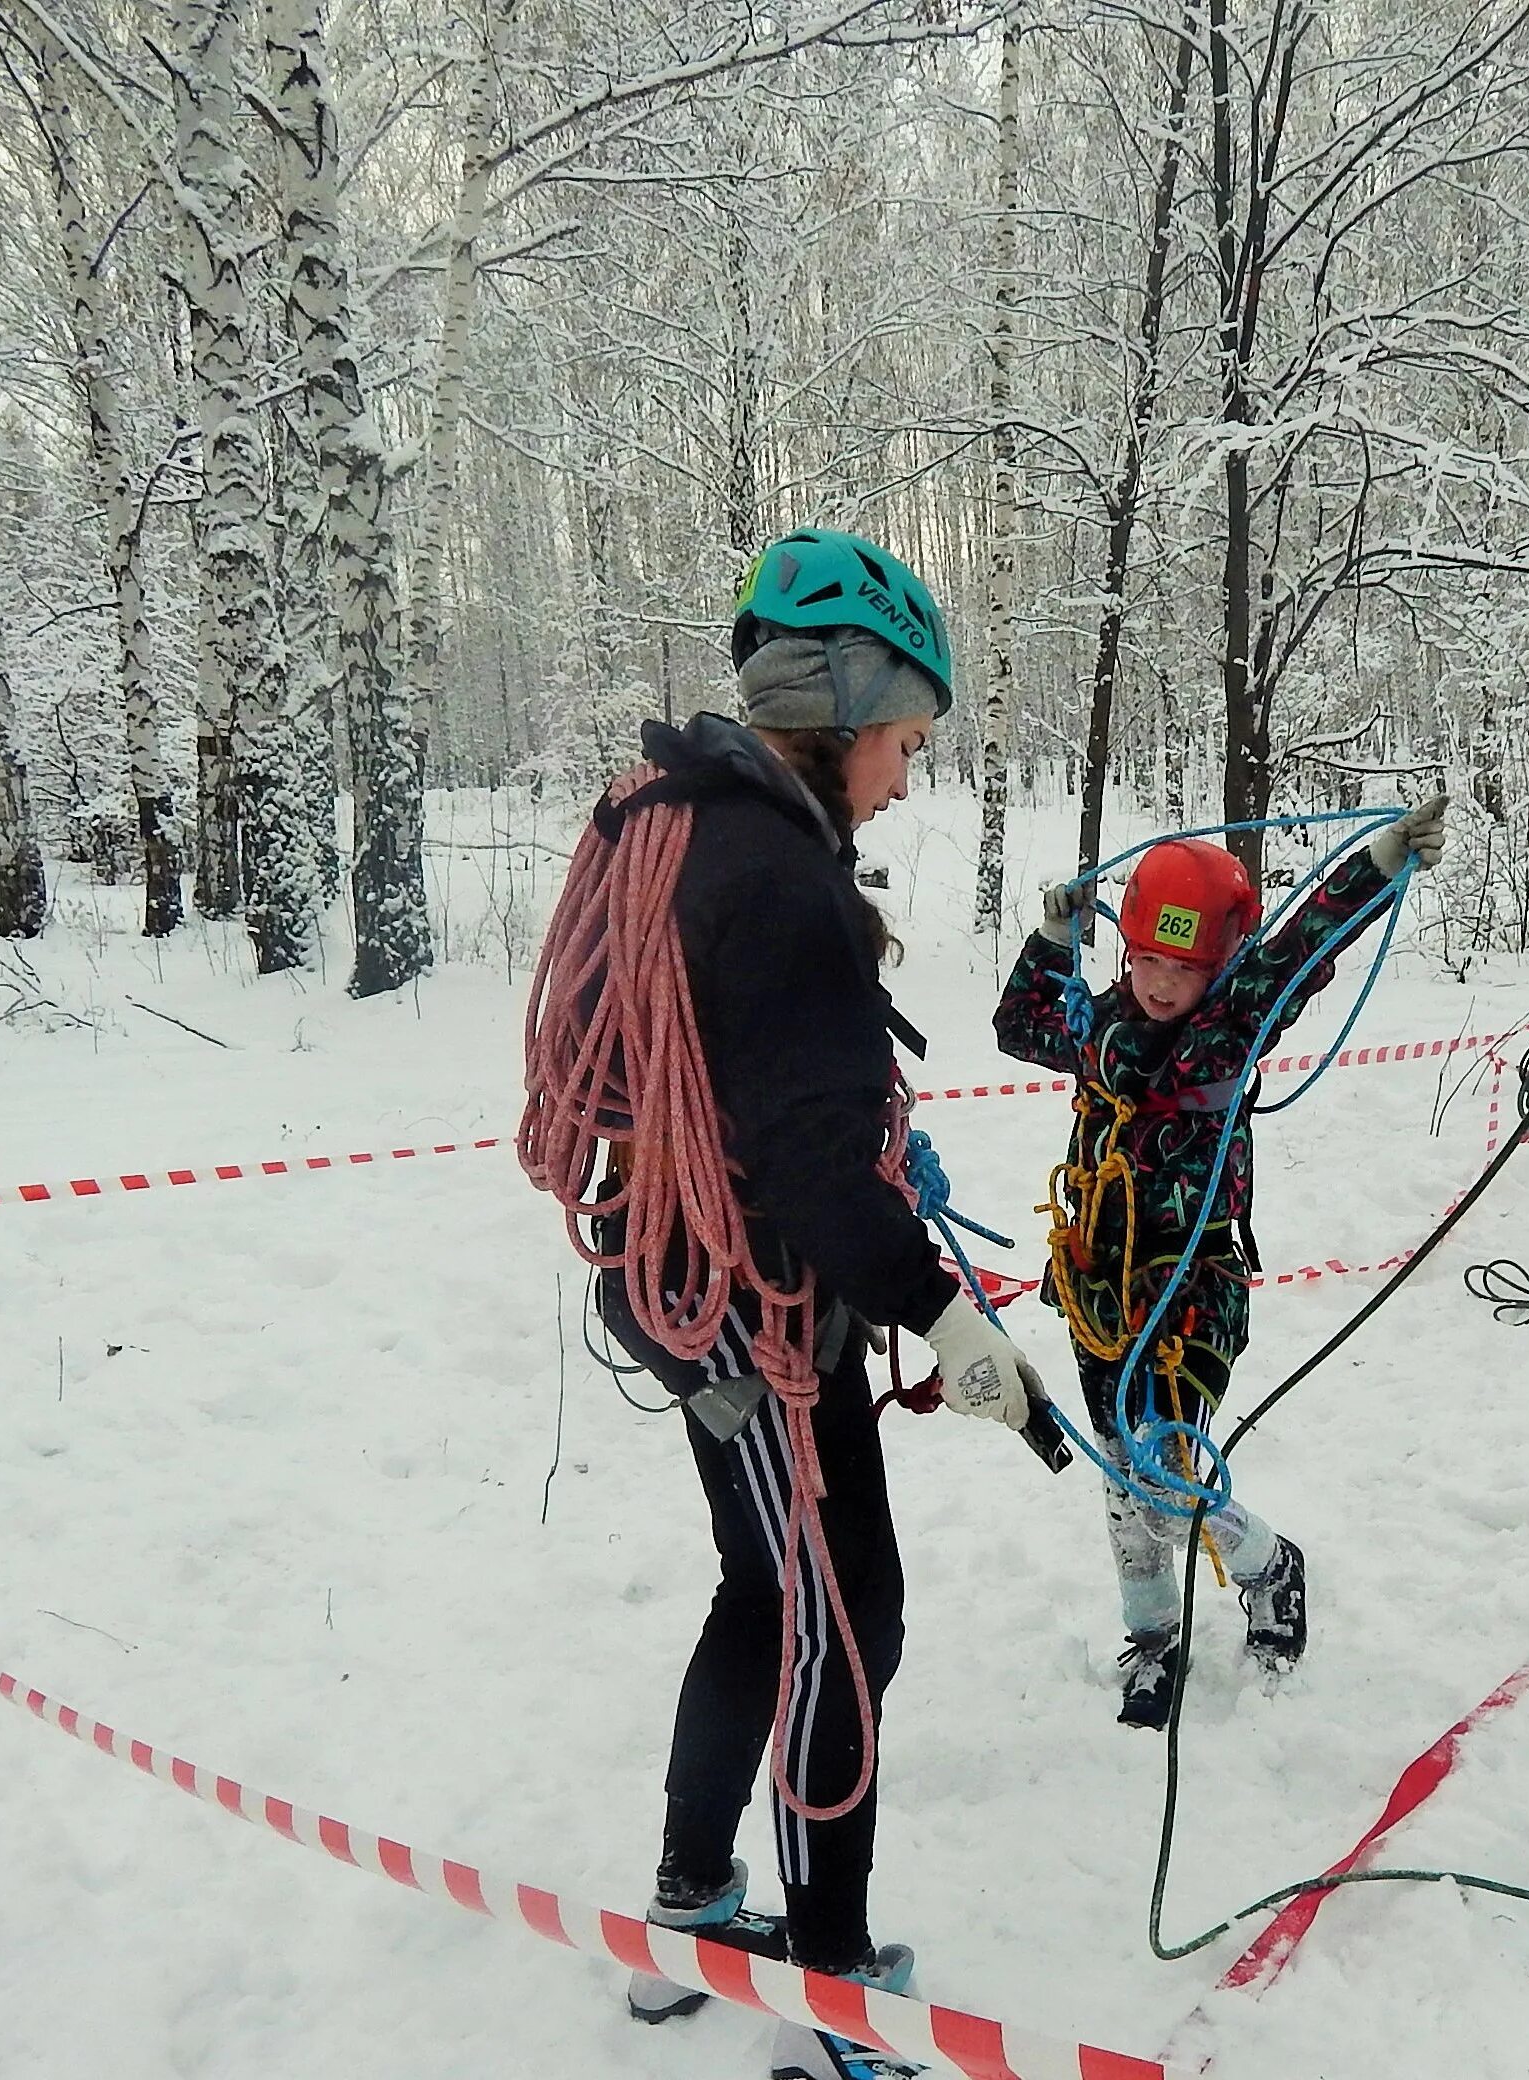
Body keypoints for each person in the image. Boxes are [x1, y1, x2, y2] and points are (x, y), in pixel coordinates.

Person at [518, 527, 1051, 2032]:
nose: (905, 775)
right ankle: (832, 1986)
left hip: (689, 1277)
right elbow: (819, 1173)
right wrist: (946, 1313)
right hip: (757, 1312)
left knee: (769, 1587)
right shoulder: (786, 886)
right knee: (845, 1612)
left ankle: (692, 1904)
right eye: (905, 740)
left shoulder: (677, 825)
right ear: (842, 710)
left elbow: (760, 1099)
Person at [993, 799, 1447, 1727]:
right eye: (1149, 963)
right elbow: (1017, 1023)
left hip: (1188, 1291)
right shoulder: (1098, 1027)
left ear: (1219, 966)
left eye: (1186, 968)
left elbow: (1298, 950)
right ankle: (1152, 1636)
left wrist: (1385, 859)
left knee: (1164, 1480)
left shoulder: (1228, 1029)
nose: (1162, 986)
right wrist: (1050, 936)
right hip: (1096, 1291)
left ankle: (1269, 1564)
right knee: (1121, 1474)